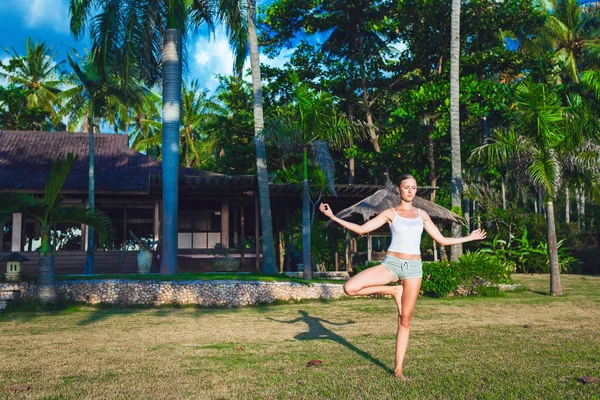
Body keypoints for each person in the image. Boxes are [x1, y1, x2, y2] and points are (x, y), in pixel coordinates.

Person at [319, 174, 486, 380]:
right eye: (406, 187)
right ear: (398, 189)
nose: (410, 191)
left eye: (414, 187)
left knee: (405, 319)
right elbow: (362, 229)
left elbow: (441, 240)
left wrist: (469, 237)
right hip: (391, 264)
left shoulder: (422, 214)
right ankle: (393, 290)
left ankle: (398, 369)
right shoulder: (390, 213)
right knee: (350, 288)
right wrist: (333, 217)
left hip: (414, 268)